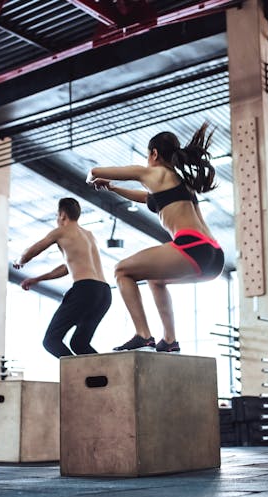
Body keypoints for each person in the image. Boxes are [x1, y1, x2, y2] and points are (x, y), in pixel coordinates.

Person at [88, 122, 224, 353]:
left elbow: (96, 171)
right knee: (156, 279)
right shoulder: (180, 183)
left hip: (192, 247)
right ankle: (170, 341)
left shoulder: (153, 172)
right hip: (214, 257)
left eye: (147, 155)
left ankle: (143, 335)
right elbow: (147, 198)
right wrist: (112, 188)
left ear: (154, 154)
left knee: (122, 270)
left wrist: (93, 176)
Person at [13, 198, 111, 358]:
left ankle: (77, 375)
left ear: (62, 215)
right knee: (80, 344)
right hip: (104, 293)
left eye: (57, 216)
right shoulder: (89, 236)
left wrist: (19, 260)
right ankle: (106, 377)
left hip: (84, 290)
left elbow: (31, 251)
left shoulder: (61, 231)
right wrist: (37, 279)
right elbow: (66, 268)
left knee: (51, 341)